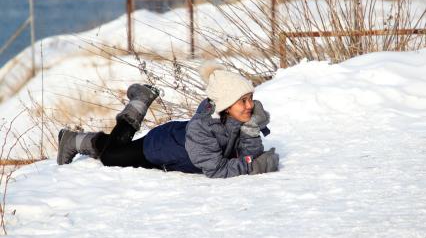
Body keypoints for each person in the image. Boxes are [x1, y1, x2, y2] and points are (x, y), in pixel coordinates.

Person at [57, 61, 279, 178]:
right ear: (225, 105)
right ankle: (74, 139)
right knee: (111, 156)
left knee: (117, 148)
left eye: (251, 98)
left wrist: (251, 130)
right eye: (243, 101)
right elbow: (216, 170)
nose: (250, 105)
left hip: (177, 137)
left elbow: (245, 154)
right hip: (159, 147)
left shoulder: (239, 117)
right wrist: (252, 166)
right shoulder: (203, 128)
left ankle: (139, 100)